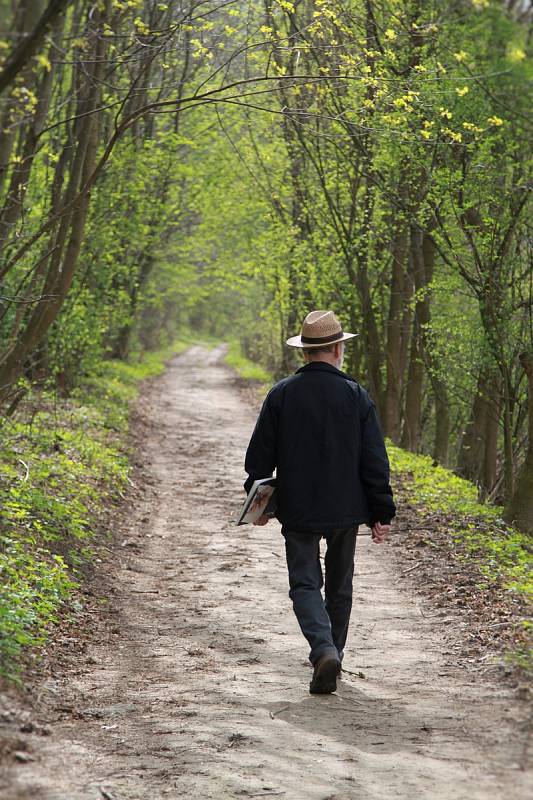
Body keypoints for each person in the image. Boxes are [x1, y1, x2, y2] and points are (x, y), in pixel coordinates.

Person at [243, 309, 396, 694]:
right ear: (337, 349)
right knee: (340, 586)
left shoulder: (281, 394)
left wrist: (258, 503)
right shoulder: (356, 395)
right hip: (347, 509)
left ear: (306, 352)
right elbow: (374, 460)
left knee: (305, 584)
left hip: (299, 508)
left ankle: (324, 650)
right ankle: (334, 655)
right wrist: (382, 511)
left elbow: (259, 458)